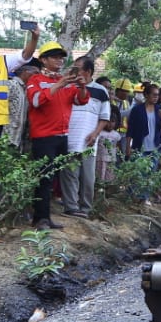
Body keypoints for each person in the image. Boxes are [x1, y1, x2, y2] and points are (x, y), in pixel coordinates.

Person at [26, 43, 89, 229]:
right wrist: (60, 84)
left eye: (61, 57)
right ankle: (40, 219)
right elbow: (36, 101)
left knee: (53, 179)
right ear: (43, 60)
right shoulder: (35, 79)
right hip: (44, 137)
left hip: (62, 136)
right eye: (54, 57)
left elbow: (81, 100)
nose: (59, 60)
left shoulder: (65, 80)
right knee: (44, 178)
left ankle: (45, 217)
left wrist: (82, 86)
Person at [61, 57, 109, 219]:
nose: (75, 71)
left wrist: (95, 133)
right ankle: (71, 207)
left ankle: (86, 208)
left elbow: (104, 117)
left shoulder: (101, 91)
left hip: (89, 140)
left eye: (78, 68)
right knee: (70, 174)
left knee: (88, 177)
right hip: (69, 137)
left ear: (88, 72)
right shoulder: (68, 86)